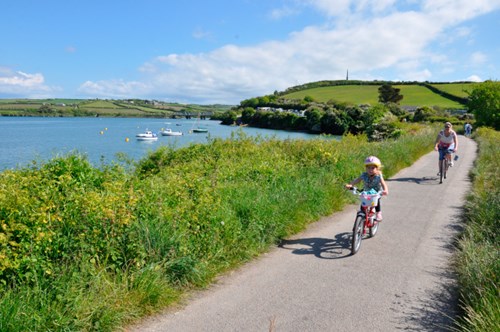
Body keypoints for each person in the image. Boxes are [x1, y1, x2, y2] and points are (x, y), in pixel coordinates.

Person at [345, 156, 389, 221]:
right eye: (368, 168)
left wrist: (385, 190)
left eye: (373, 168)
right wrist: (351, 184)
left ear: (377, 168)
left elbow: (383, 183)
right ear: (366, 168)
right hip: (366, 192)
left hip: (376, 192)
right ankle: (361, 220)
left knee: (376, 201)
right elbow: (357, 180)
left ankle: (378, 213)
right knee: (363, 205)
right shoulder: (364, 175)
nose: (370, 170)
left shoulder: (378, 176)